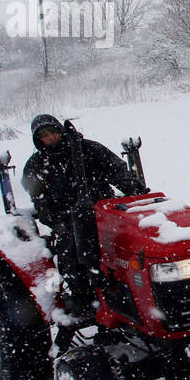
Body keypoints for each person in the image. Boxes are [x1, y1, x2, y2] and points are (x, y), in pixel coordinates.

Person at [21, 115, 144, 316]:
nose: (50, 138)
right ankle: (86, 299)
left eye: (52, 132)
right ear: (38, 140)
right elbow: (37, 196)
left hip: (101, 210)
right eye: (44, 136)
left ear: (60, 130)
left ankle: (132, 292)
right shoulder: (36, 164)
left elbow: (116, 169)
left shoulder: (87, 149)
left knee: (130, 247)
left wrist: (130, 185)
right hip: (66, 219)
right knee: (72, 255)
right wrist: (55, 217)